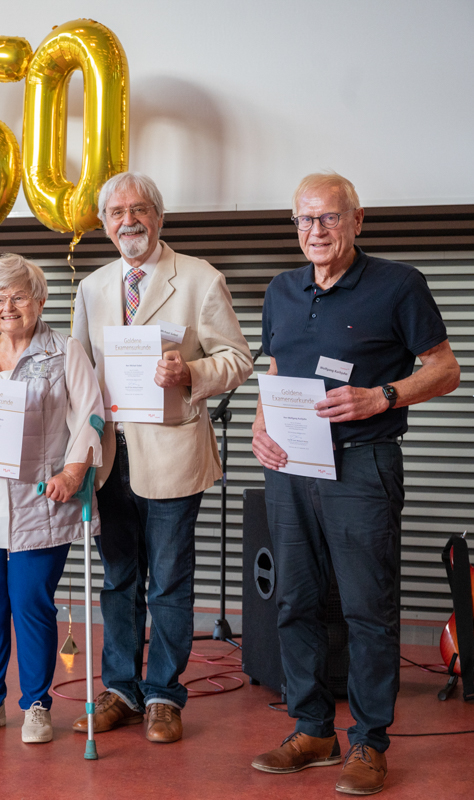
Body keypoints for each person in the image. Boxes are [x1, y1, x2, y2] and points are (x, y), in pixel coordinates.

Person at [250, 173, 459, 795]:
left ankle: (369, 742)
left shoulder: (400, 285)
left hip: (363, 463)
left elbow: (445, 369)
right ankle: (313, 730)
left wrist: (381, 396)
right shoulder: (281, 290)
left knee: (368, 607)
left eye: (329, 219)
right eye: (305, 221)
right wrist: (261, 427)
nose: (316, 232)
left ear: (357, 220)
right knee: (294, 600)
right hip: (290, 467)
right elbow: (277, 365)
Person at [71, 172, 252, 743]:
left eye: (140, 209)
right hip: (109, 456)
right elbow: (78, 377)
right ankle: (121, 689)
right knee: (119, 579)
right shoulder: (93, 287)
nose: (129, 220)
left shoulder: (199, 278)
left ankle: (164, 696)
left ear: (159, 217)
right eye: (117, 211)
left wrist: (192, 372)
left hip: (172, 451)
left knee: (168, 582)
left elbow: (238, 359)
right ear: (104, 224)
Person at [0, 254, 104, 744]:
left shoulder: (64, 351)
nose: (7, 307)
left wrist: (74, 472)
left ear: (39, 300)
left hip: (39, 502)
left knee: (31, 603)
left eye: (17, 297)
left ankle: (36, 705)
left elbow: (92, 417)